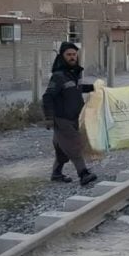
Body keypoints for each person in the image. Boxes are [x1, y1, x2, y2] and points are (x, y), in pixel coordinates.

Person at [42, 42, 98, 185]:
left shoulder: (74, 74)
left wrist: (94, 87)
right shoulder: (58, 76)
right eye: (69, 55)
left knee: (62, 150)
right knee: (75, 145)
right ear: (62, 56)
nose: (72, 57)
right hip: (62, 119)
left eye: (74, 54)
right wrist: (48, 118)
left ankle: (56, 174)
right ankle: (83, 174)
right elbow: (47, 96)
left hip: (75, 118)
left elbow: (77, 89)